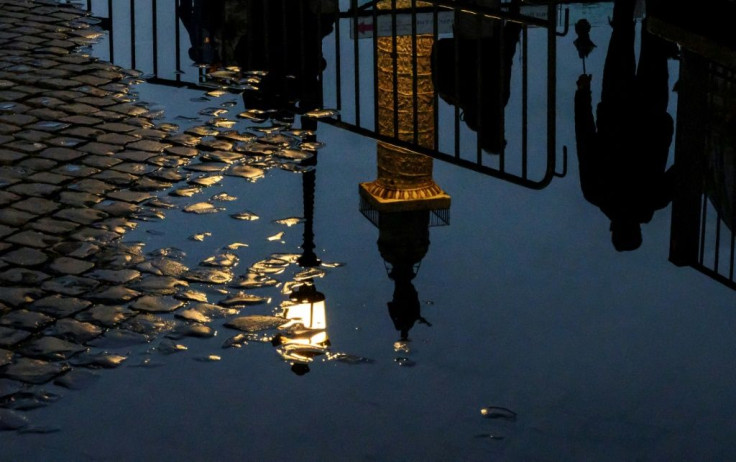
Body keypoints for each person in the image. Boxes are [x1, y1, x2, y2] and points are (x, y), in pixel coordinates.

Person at [575, 0, 677, 251]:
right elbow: (585, 137)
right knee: (622, 34)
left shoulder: (654, 199)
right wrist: (582, 95)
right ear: (613, 229)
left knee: (653, 38)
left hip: (650, 112)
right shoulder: (595, 192)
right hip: (615, 107)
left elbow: (686, 167)